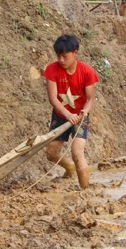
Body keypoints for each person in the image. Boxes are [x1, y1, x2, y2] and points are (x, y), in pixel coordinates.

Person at [43, 34, 99, 189]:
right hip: (61, 115)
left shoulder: (87, 72)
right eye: (58, 56)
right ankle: (69, 168)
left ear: (76, 53)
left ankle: (85, 190)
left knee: (77, 153)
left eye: (65, 56)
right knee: (51, 154)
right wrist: (67, 115)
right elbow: (53, 98)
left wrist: (85, 111)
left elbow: (90, 99)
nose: (61, 60)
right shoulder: (52, 70)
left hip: (80, 117)